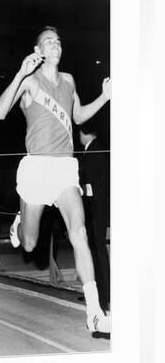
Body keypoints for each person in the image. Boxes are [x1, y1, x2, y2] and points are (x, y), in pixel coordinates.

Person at [0, 26, 111, 333]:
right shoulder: (30, 81)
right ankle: (22, 219)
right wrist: (20, 73)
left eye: (58, 41)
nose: (55, 44)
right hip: (36, 168)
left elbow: (79, 116)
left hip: (64, 168)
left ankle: (95, 312)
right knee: (30, 244)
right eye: (49, 41)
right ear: (39, 50)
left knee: (80, 232)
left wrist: (105, 96)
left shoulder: (69, 80)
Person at [79, 123, 111, 312]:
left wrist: (76, 190)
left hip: (95, 208)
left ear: (84, 133)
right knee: (94, 248)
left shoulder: (94, 151)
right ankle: (101, 292)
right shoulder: (94, 150)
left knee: (97, 249)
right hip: (96, 207)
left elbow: (94, 184)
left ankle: (103, 293)